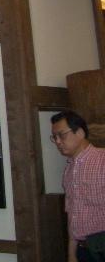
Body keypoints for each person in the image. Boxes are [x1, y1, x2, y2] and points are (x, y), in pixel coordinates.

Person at [51, 110, 105, 262]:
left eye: (62, 135)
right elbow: (72, 216)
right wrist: (71, 254)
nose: (58, 141)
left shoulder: (102, 160)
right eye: (54, 137)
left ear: (80, 132)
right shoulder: (69, 170)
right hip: (83, 250)